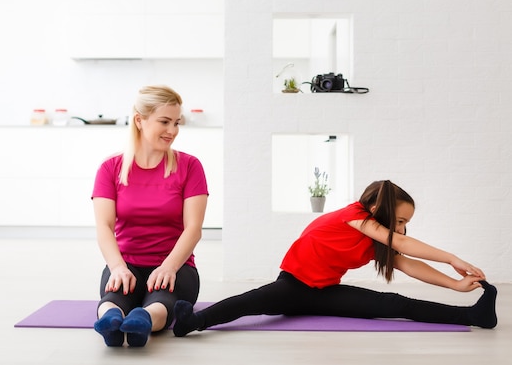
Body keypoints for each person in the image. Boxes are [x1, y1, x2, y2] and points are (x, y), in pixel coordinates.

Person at [173, 180, 498, 337]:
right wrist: (453, 258)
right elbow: (402, 244)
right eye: (399, 220)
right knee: (249, 302)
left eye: (405, 224)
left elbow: (409, 263)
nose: (401, 228)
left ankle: (473, 315)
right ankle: (194, 321)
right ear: (379, 210)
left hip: (325, 293)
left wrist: (455, 285)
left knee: (396, 304)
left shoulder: (375, 240)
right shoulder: (355, 215)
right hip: (293, 287)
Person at [92, 85, 209, 347]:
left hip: (176, 266)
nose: (173, 131)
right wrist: (117, 267)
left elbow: (193, 228)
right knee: (113, 299)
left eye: (177, 123)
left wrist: (169, 266)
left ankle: (141, 322)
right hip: (126, 263)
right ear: (139, 121)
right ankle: (110, 323)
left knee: (162, 299)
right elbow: (104, 225)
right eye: (164, 122)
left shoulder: (190, 166)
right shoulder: (110, 169)